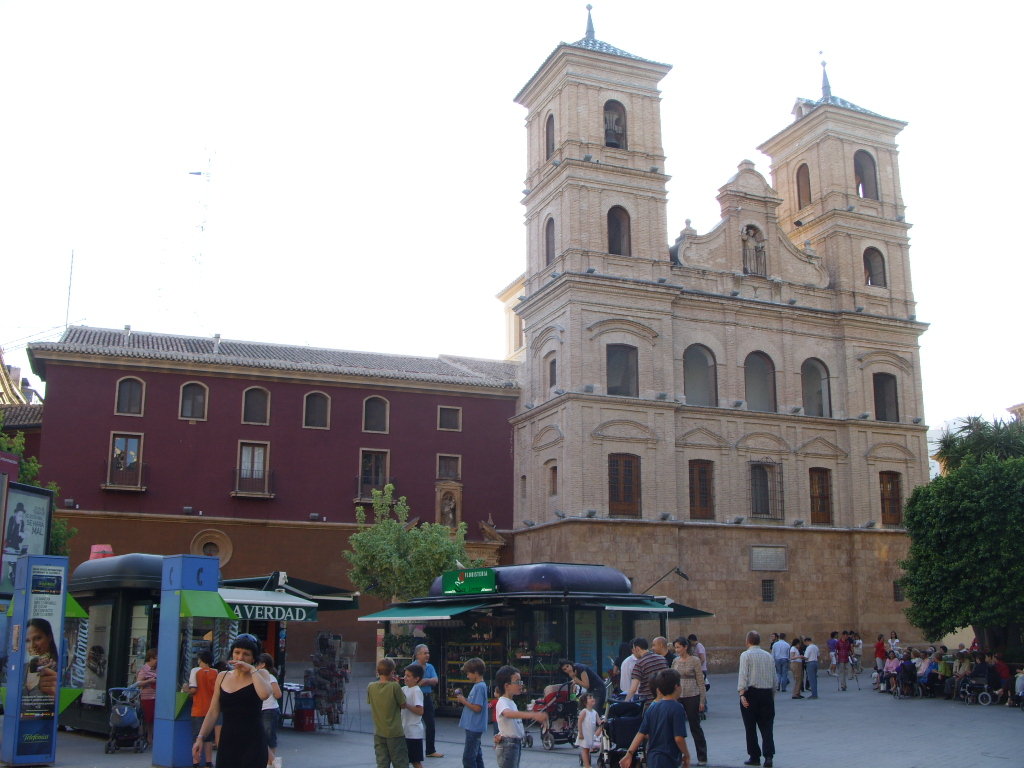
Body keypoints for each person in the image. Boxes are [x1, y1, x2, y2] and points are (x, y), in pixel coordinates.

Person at [192, 634, 272, 768]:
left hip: (253, 741)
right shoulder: (222, 676)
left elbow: (264, 694)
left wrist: (252, 670)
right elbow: (213, 711)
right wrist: (200, 738)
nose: (240, 658)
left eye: (246, 654)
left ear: (253, 658)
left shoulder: (260, 674)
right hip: (228, 741)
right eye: (237, 652)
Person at [619, 668, 690, 768]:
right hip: (669, 758)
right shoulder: (677, 708)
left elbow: (640, 733)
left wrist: (629, 754)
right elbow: (678, 738)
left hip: (652, 758)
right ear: (676, 686)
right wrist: (686, 754)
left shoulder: (652, 707)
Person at [493, 665, 547, 768]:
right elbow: (507, 713)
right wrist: (532, 715)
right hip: (508, 745)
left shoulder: (511, 702)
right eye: (517, 682)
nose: (521, 685)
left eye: (520, 681)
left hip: (513, 744)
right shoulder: (502, 701)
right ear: (507, 685)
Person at [737, 630, 777, 768]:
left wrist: (741, 694)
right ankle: (768, 756)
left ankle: (754, 756)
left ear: (747, 641)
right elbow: (774, 678)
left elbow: (743, 675)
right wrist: (772, 695)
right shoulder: (768, 656)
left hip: (751, 693)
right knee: (767, 727)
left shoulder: (745, 655)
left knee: (750, 727)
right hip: (766, 694)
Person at [672, 636, 707, 766]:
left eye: (678, 647)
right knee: (676, 727)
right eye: (675, 648)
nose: (676, 650)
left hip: (692, 695)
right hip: (678, 696)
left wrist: (702, 700)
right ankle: (677, 756)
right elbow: (672, 679)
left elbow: (700, 681)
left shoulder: (695, 660)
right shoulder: (675, 661)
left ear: (685, 647)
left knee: (695, 726)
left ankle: (702, 756)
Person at [455, 657, 487, 768]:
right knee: (477, 755)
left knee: (468, 758)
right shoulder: (479, 686)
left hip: (474, 726)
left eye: (468, 673)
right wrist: (465, 700)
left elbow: (477, 708)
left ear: (476, 673)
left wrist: (464, 701)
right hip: (474, 726)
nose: (467, 676)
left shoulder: (479, 687)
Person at [188, 650, 218, 768]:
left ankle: (196, 762)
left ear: (200, 659)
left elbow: (193, 689)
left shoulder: (195, 671)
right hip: (211, 709)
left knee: (197, 737)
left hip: (198, 709)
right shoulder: (215, 672)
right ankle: (208, 763)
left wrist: (186, 689)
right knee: (208, 738)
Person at [414, 644, 444, 759]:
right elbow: (412, 683)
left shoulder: (430, 667)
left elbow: (435, 680)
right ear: (417, 655)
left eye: (428, 653)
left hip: (427, 697)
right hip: (415, 698)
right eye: (424, 653)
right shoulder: (412, 667)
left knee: (431, 724)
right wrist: (426, 681)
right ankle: (411, 749)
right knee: (413, 724)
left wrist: (425, 681)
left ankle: (430, 750)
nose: (427, 655)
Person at [256, 654, 282, 768]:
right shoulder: (257, 676)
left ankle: (272, 762)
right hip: (261, 709)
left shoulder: (270, 677)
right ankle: (269, 761)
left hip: (269, 709)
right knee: (261, 736)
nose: (255, 666)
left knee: (269, 737)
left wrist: (268, 692)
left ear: (263, 665)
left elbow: (278, 694)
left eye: (257, 664)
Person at [24, 618, 58, 697]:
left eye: (37, 638)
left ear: (49, 637)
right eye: (27, 640)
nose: (32, 645)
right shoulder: (22, 669)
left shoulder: (59, 670)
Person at [627, 637, 669, 702]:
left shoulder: (639, 663)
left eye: (634, 650)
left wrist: (625, 701)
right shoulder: (662, 658)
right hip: (664, 700)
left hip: (648, 702)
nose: (633, 653)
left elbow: (633, 689)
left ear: (637, 648)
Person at [401, 663, 426, 768]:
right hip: (404, 730)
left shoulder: (416, 691)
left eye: (408, 676)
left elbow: (420, 711)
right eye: (405, 675)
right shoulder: (404, 689)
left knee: (415, 762)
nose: (405, 678)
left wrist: (406, 705)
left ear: (416, 678)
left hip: (413, 732)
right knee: (404, 760)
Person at [575, 692, 603, 768]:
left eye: (593, 697)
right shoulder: (584, 711)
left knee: (587, 750)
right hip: (584, 734)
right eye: (590, 698)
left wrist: (602, 722)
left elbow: (599, 722)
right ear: (585, 702)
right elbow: (579, 722)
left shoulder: (595, 712)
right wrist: (580, 733)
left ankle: (587, 764)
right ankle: (587, 765)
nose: (592, 699)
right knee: (585, 749)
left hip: (590, 734)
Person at [136, 648, 158, 734]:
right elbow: (138, 683)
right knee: (148, 718)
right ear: (151, 658)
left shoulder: (157, 669)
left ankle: (150, 735)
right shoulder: (144, 669)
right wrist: (149, 681)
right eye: (156, 659)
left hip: (156, 696)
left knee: (153, 717)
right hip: (147, 697)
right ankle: (148, 736)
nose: (157, 661)